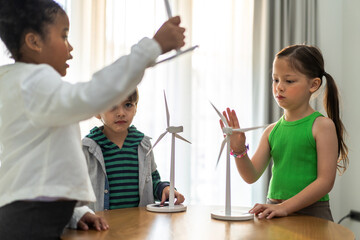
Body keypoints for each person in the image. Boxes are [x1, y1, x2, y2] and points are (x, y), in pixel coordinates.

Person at [0, 0, 185, 239]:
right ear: (34, 41)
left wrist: (76, 213)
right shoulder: (32, 83)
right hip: (29, 217)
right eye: (64, 36)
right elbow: (91, 95)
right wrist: (152, 47)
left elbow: (40, 167)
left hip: (27, 213)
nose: (71, 48)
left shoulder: (19, 85)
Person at [220, 45, 348, 221]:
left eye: (289, 81)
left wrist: (284, 207)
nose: (279, 87)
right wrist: (239, 150)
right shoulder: (271, 131)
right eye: (275, 80)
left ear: (313, 84)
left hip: (312, 215)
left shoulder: (322, 126)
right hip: (275, 212)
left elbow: (325, 182)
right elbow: (251, 175)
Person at [76, 88, 184, 216]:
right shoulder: (87, 148)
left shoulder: (143, 144)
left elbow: (153, 181)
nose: (121, 113)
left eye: (128, 105)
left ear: (135, 108)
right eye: (112, 106)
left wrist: (165, 189)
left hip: (139, 227)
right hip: (103, 228)